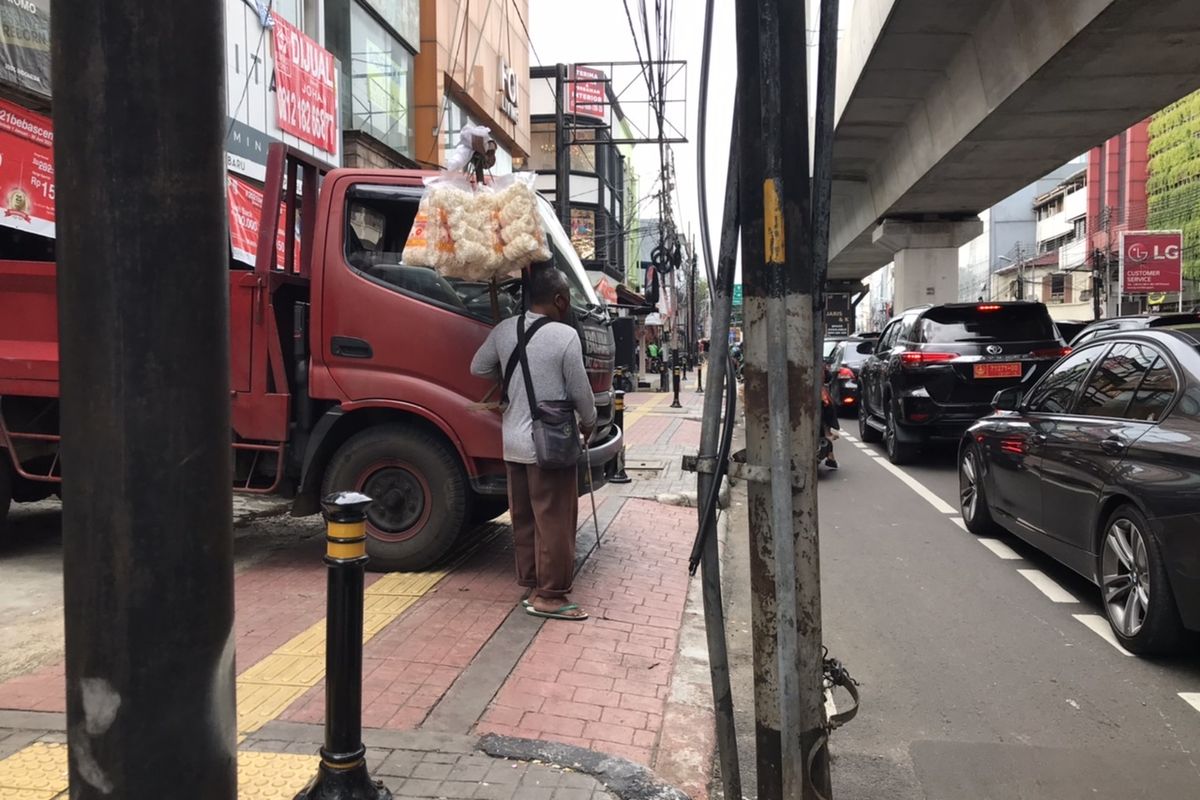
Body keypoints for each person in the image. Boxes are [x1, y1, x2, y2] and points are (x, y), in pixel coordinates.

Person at [470, 264, 597, 621]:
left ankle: (531, 582)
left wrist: (508, 381)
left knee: (524, 517)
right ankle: (550, 596)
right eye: (568, 300)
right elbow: (580, 393)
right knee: (555, 521)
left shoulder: (504, 330)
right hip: (550, 445)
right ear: (559, 299)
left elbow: (477, 368)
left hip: (512, 441)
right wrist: (591, 424)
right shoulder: (565, 336)